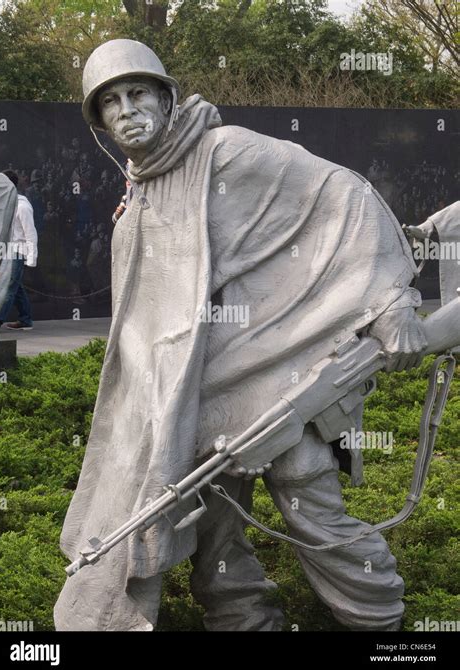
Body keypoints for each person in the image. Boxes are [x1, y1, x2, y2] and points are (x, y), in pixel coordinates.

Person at [55, 39, 428, 632]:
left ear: (166, 98)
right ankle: (246, 620)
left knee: (307, 495)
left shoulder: (225, 151)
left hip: (279, 372)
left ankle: (379, 623)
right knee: (212, 523)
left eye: (138, 93)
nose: (127, 109)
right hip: (195, 397)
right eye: (111, 102)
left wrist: (388, 300)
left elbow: (343, 191)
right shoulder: (140, 196)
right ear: (99, 121)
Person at [0, 170, 38, 331]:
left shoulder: (23, 206)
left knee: (8, 287)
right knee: (16, 287)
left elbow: (30, 233)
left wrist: (31, 258)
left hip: (17, 252)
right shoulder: (4, 203)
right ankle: (26, 319)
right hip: (4, 251)